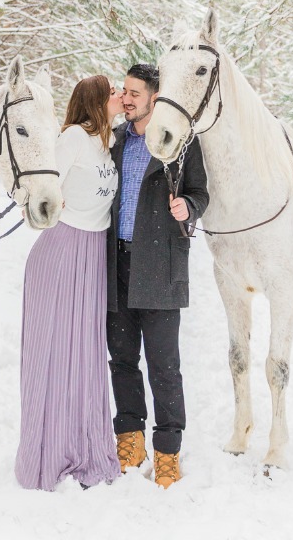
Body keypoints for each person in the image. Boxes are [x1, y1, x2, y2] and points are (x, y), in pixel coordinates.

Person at [15, 75, 123, 491]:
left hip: (94, 254)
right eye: (112, 91)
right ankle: (47, 450)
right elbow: (40, 187)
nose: (118, 96)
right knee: (55, 351)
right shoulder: (74, 137)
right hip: (61, 251)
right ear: (96, 99)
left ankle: (84, 443)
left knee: (85, 353)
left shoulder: (108, 142)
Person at [106, 62, 208, 489]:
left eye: (134, 92)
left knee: (165, 367)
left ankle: (167, 451)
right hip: (114, 265)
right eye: (123, 91)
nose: (127, 98)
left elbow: (201, 192)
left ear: (154, 96)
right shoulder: (109, 141)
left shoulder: (181, 142)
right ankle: (129, 439)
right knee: (123, 360)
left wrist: (189, 207)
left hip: (160, 266)